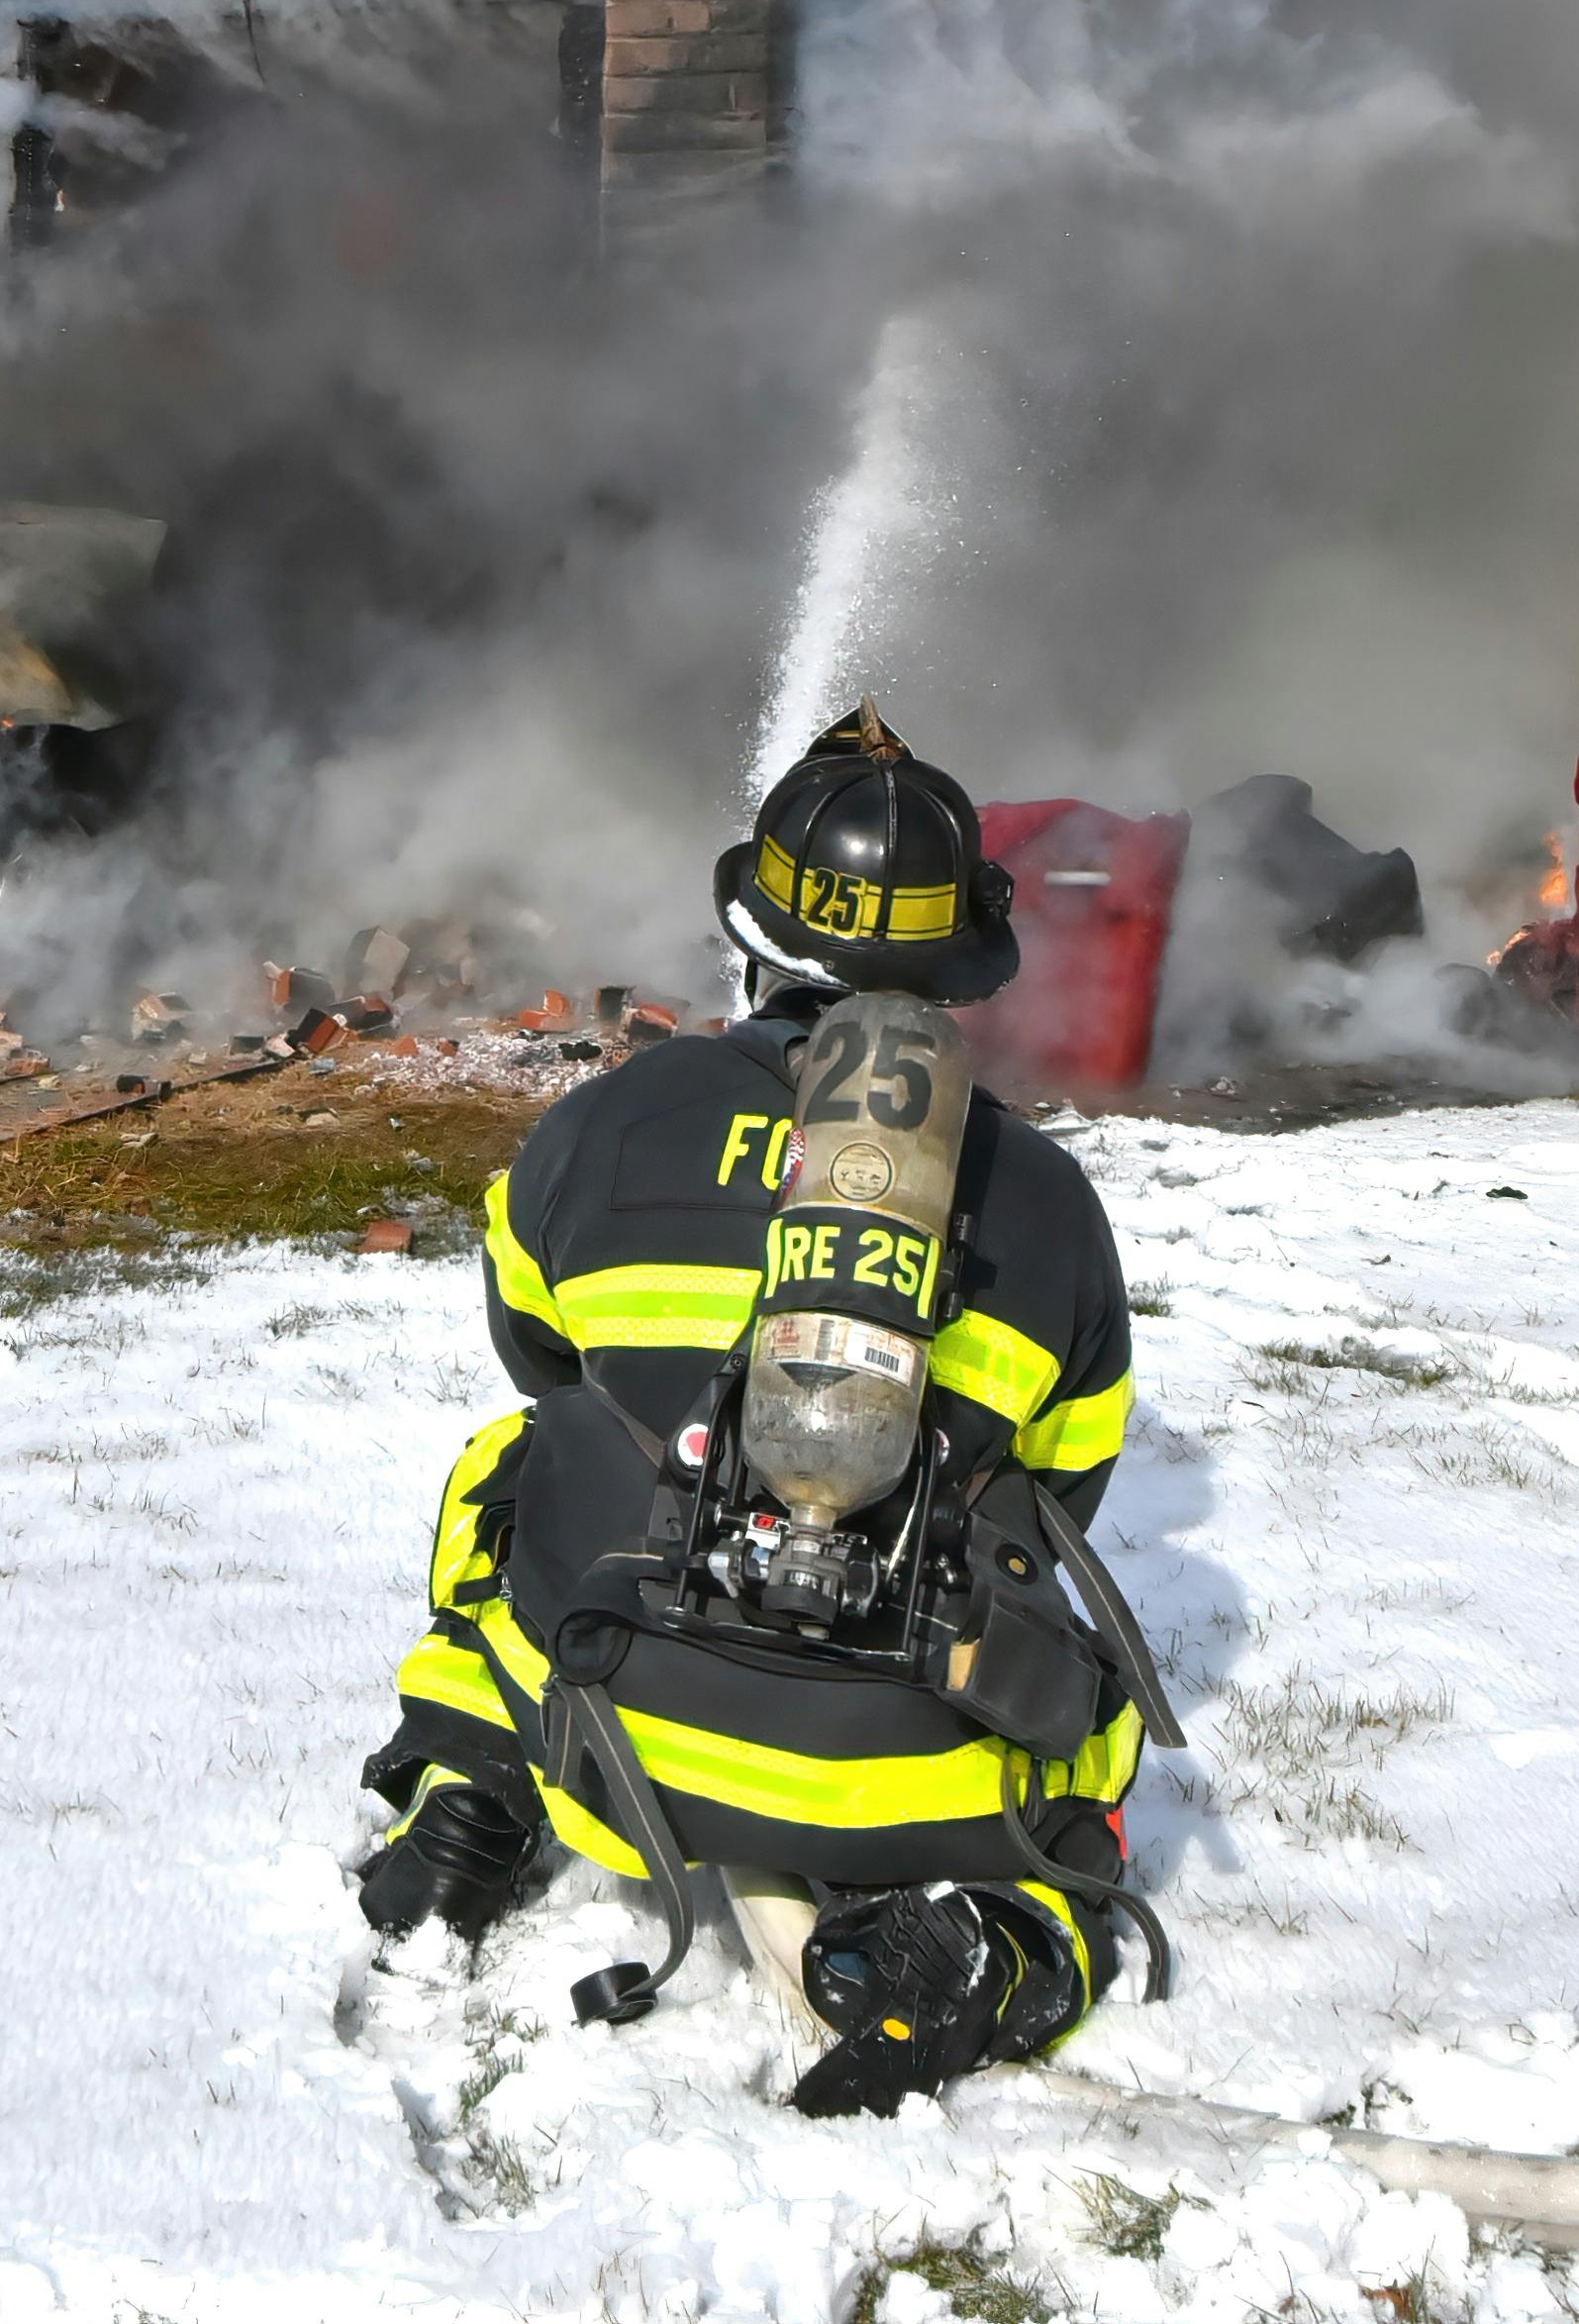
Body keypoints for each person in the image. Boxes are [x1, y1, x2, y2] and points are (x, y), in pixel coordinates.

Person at [356, 703, 1152, 2118]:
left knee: (516, 1463)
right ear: (962, 970)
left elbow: (533, 1353)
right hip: (915, 1780)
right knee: (1087, 1675)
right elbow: (1069, 1493)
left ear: (757, 933)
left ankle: (475, 1782)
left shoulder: (601, 1124)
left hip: (617, 1722)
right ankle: (1002, 1931)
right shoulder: (1046, 1204)